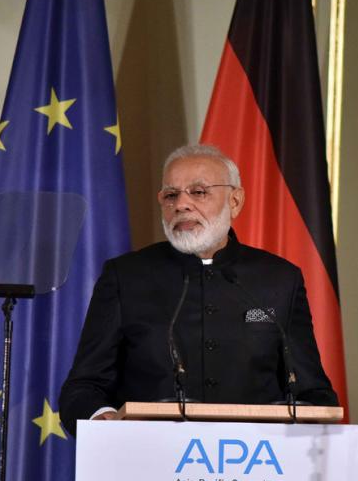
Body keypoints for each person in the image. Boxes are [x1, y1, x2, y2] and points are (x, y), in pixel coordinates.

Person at [59, 144, 337, 435]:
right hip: (149, 454)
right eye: (171, 195)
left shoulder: (280, 279)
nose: (181, 204)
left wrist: (312, 425)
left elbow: (313, 391)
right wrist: (103, 423)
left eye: (199, 192)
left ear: (235, 201)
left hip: (256, 459)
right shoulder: (125, 276)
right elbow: (83, 388)